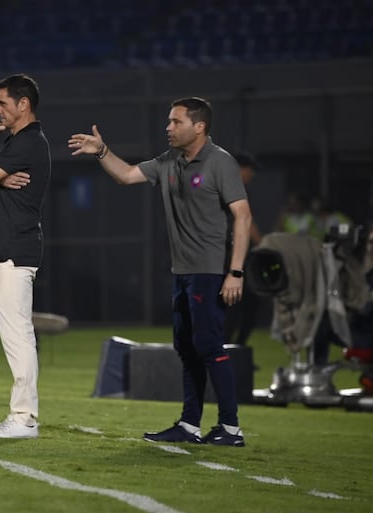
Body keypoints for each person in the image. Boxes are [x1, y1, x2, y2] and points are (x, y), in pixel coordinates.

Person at [69, 97, 251, 447]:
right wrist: (102, 150)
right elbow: (125, 175)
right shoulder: (168, 161)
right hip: (182, 271)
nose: (168, 127)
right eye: (168, 121)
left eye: (176, 121)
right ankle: (190, 425)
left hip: (210, 272)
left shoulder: (220, 162)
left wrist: (236, 272)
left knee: (209, 345)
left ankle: (230, 428)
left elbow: (242, 216)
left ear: (199, 127)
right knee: (186, 347)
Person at [0, 73, 50, 439]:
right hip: (7, 249)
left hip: (15, 249)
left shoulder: (27, 142)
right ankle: (22, 416)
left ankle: (24, 418)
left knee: (18, 335)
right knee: (15, 334)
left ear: (23, 104)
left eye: (2, 102)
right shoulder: (19, 143)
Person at [223, 152, 263, 347]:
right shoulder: (229, 188)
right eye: (250, 170)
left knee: (245, 305)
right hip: (227, 259)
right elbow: (246, 224)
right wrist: (265, 246)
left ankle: (235, 350)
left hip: (228, 257)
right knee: (237, 305)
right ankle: (230, 351)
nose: (252, 175)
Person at [354, 224, 373, 396]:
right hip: (364, 333)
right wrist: (372, 301)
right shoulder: (361, 278)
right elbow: (355, 310)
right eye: (372, 242)